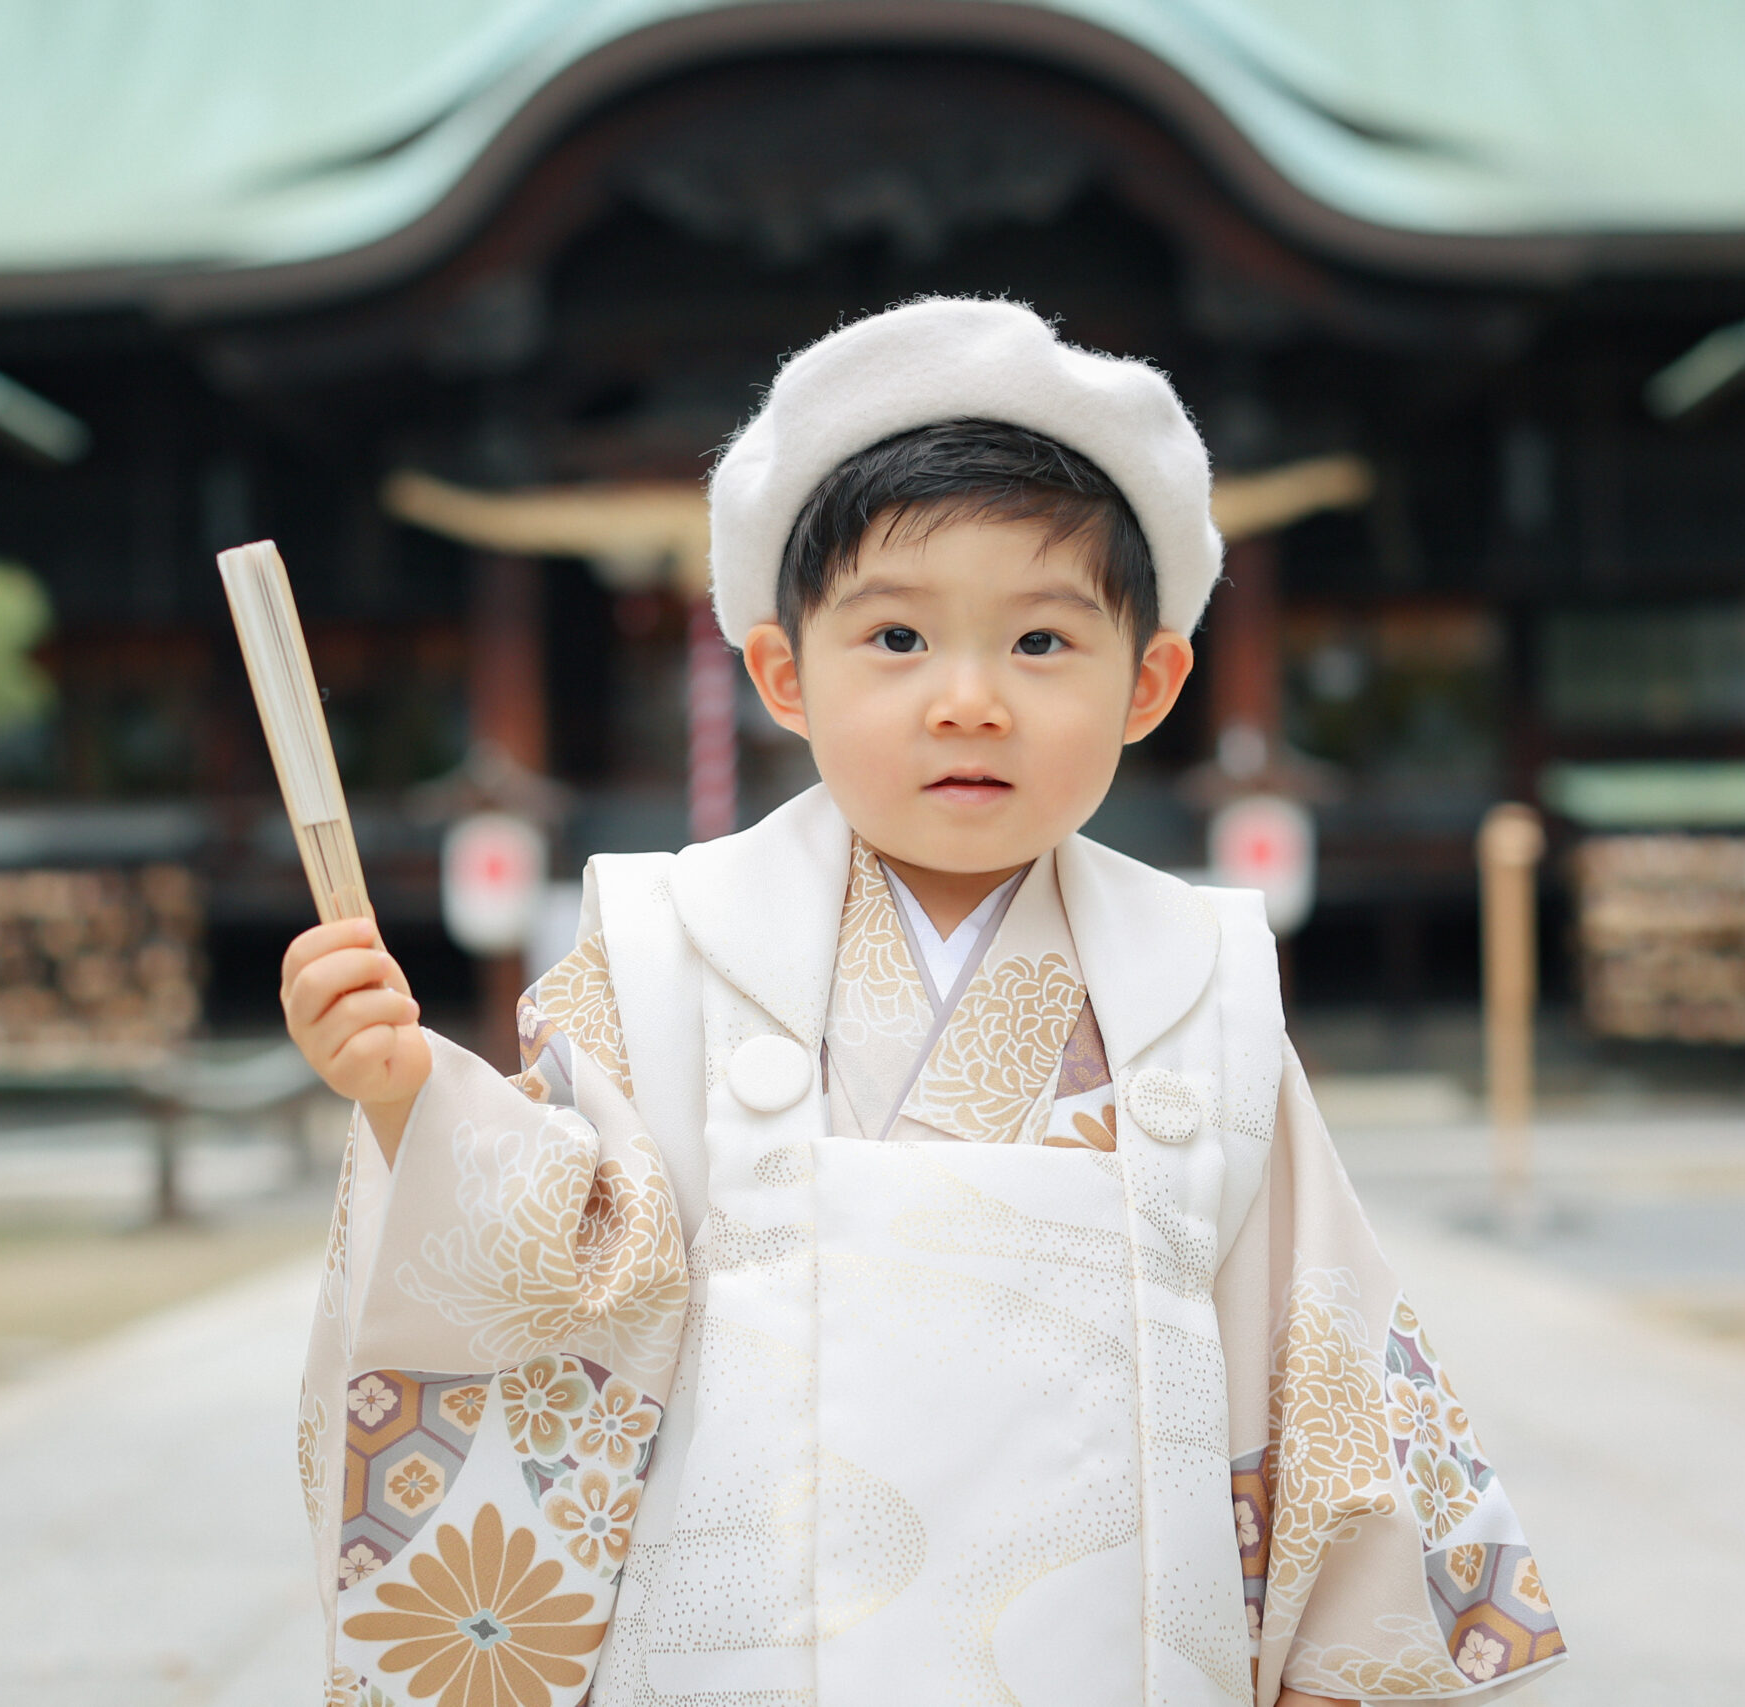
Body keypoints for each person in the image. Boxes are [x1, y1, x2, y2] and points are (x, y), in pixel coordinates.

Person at [284, 298, 1563, 1707]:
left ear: (1150, 683)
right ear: (783, 673)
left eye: (1040, 644)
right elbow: (575, 1258)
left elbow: (1315, 1364)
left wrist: (1338, 1666)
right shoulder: (665, 947)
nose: (968, 701)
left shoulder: (1205, 981)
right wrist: (413, 1098)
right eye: (896, 640)